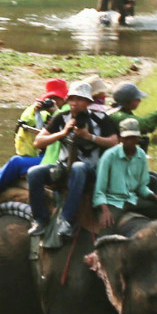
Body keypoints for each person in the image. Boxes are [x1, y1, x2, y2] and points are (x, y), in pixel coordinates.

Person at [28, 81, 107, 248]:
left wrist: (90, 137)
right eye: (71, 99)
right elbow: (39, 141)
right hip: (63, 167)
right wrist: (62, 133)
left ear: (88, 102)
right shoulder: (61, 118)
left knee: (79, 168)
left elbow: (115, 142)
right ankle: (40, 219)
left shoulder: (101, 119)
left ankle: (67, 220)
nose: (74, 103)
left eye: (79, 99)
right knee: (34, 172)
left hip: (90, 169)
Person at [0, 79, 67, 201]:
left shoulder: (66, 111)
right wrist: (35, 111)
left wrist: (55, 112)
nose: (54, 101)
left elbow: (65, 123)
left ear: (64, 97)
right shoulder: (48, 111)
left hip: (56, 159)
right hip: (48, 155)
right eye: (51, 98)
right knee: (17, 161)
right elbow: (25, 120)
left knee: (16, 162)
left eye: (57, 98)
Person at [93, 117, 157, 227]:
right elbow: (99, 191)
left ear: (138, 138)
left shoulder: (141, 155)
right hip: (113, 202)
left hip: (133, 200)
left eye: (133, 138)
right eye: (127, 138)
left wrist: (155, 197)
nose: (130, 141)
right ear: (120, 139)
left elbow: (141, 186)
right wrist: (105, 210)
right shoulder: (109, 156)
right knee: (107, 227)